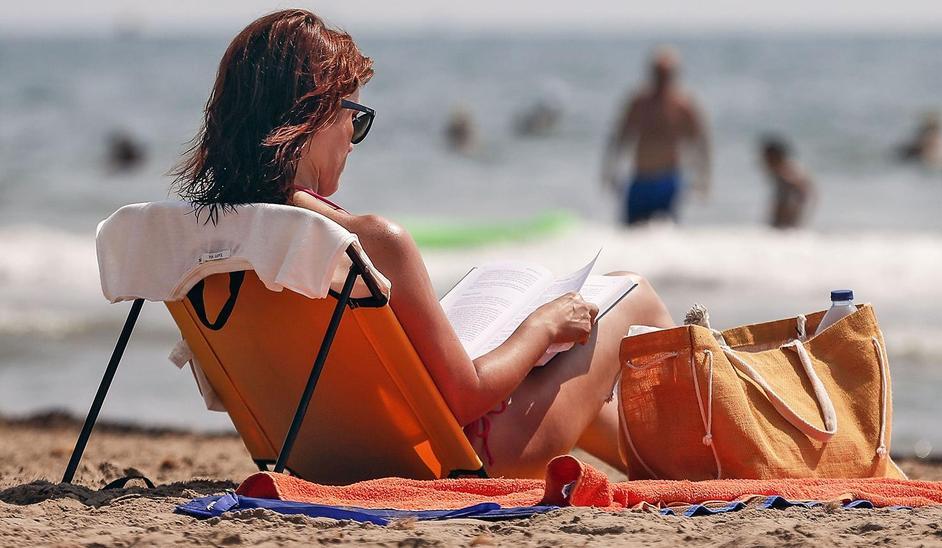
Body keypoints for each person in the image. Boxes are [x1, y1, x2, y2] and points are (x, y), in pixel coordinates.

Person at [171, 10, 675, 478]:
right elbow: (466, 396)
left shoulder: (217, 238)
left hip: (323, 455)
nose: (353, 139)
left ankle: (681, 466)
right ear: (316, 114)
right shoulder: (368, 241)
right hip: (465, 455)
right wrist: (543, 326)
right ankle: (713, 441)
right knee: (631, 292)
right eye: (355, 118)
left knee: (576, 391)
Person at [601, 46, 711, 226]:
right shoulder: (638, 103)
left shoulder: (683, 106)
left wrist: (703, 178)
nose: (661, 79)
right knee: (631, 229)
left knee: (666, 230)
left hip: (668, 180)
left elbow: (701, 143)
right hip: (640, 178)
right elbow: (619, 138)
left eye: (666, 74)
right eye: (658, 73)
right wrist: (609, 171)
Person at [760, 135, 813, 229]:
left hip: (788, 212)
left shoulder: (785, 170)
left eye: (766, 157)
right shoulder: (785, 168)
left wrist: (793, 211)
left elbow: (802, 189)